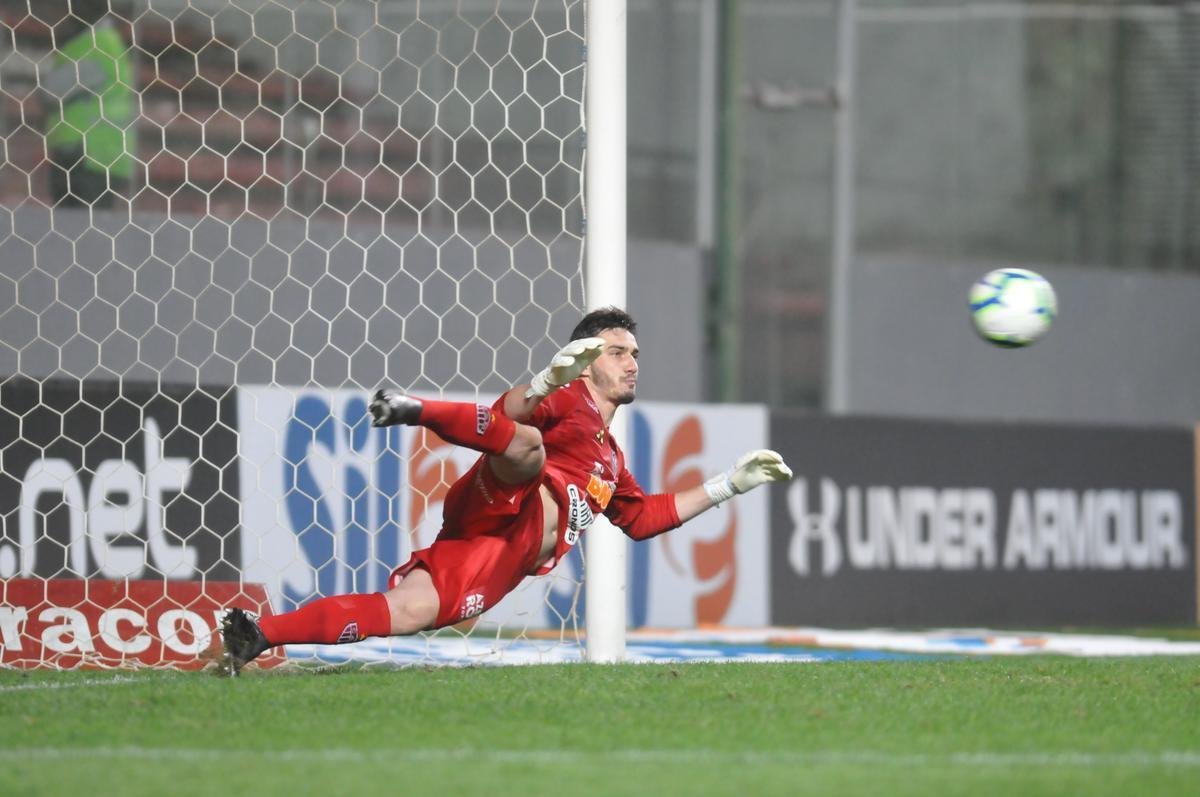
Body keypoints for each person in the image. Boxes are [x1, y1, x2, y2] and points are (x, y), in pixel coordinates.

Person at [220, 307, 792, 674]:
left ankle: (258, 635)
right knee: (528, 446)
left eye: (634, 354)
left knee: (409, 612)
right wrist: (546, 381)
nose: (632, 363)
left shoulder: (612, 458)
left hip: (495, 553)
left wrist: (728, 485)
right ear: (587, 364)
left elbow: (643, 519)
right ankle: (413, 408)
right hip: (502, 500)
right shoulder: (568, 401)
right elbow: (508, 415)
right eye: (618, 352)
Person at [42, 0, 136, 208]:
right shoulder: (107, 41)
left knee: (77, 222)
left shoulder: (95, 44)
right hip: (103, 153)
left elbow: (51, 91)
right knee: (90, 222)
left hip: (85, 153)